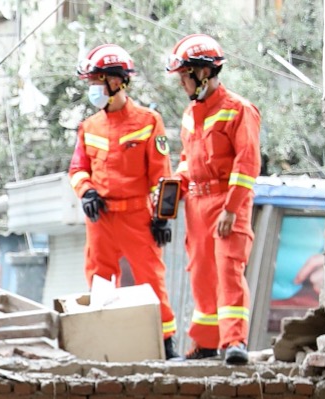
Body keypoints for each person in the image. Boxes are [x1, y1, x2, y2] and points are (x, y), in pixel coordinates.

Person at [67, 43, 179, 359]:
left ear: (117, 81)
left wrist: (162, 217)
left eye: (96, 81)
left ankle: (166, 345)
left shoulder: (148, 121)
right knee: (100, 283)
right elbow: (77, 168)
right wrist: (86, 191)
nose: (92, 89)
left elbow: (162, 174)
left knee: (151, 281)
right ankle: (103, 346)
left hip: (137, 217)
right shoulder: (89, 126)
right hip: (101, 219)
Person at [166, 33, 261, 365]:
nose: (182, 84)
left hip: (226, 204)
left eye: (184, 77)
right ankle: (205, 344)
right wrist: (174, 187)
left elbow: (247, 163)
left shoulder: (239, 110)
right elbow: (187, 160)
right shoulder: (190, 114)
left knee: (228, 270)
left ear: (202, 73)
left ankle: (234, 342)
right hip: (197, 205)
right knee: (202, 274)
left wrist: (231, 209)